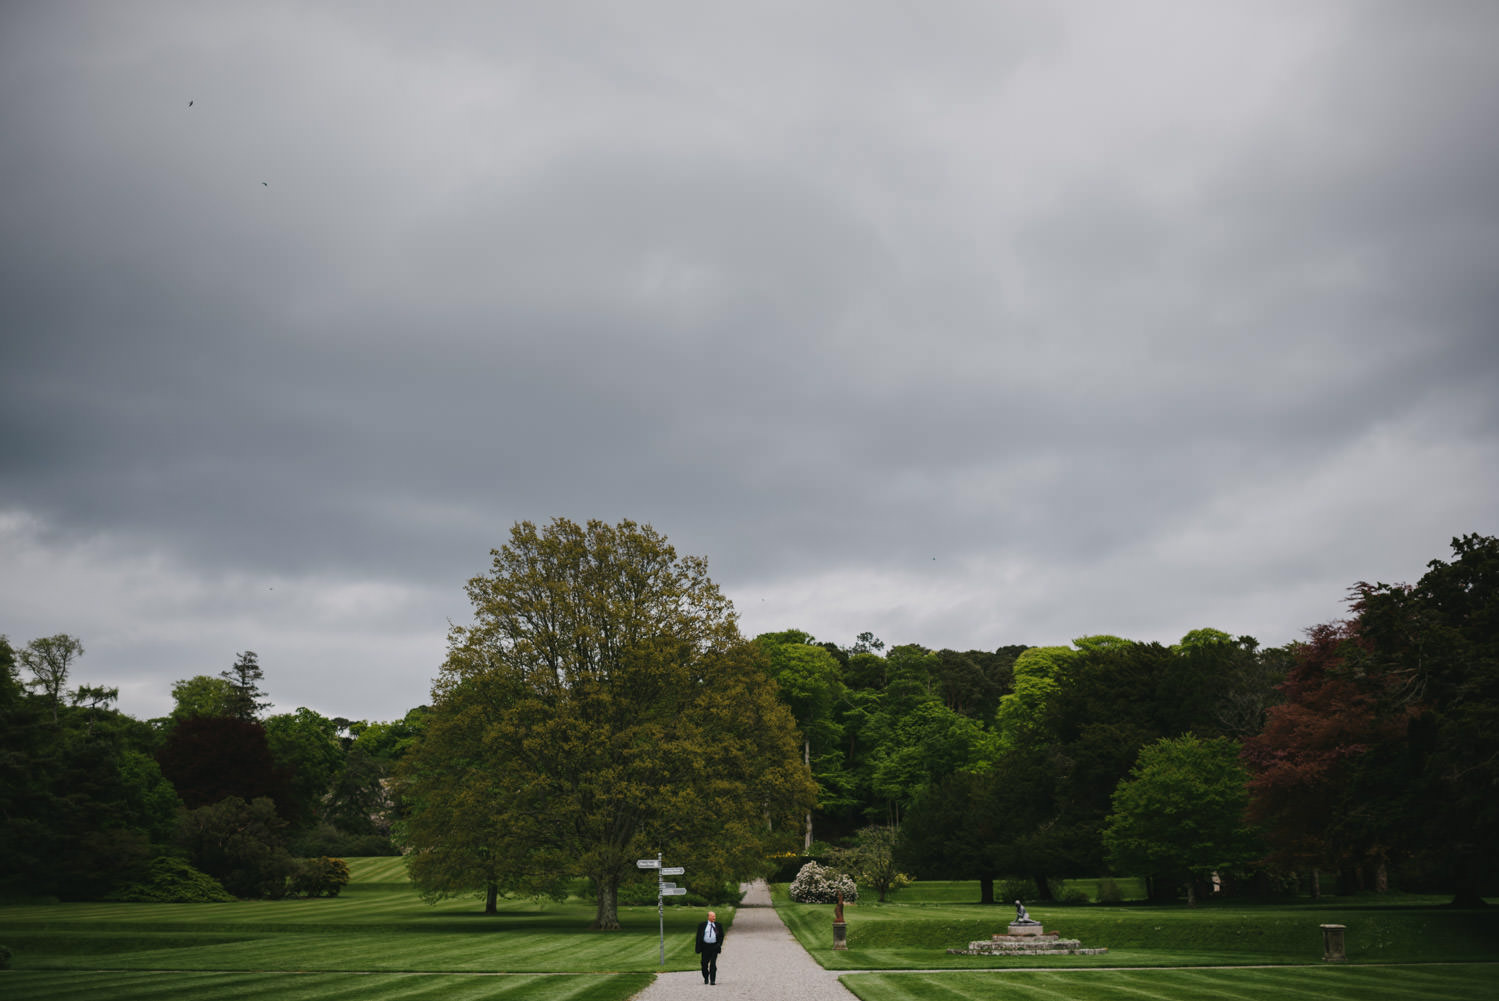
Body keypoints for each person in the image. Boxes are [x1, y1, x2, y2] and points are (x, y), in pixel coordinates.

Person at [694, 909, 726, 985]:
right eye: (712, 916)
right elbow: (698, 937)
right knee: (704, 964)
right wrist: (698, 947)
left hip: (714, 946)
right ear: (708, 917)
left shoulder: (718, 925)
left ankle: (712, 980)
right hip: (705, 947)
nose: (714, 917)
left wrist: (719, 944)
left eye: (714, 916)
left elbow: (721, 936)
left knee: (713, 964)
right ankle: (706, 977)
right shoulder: (702, 925)